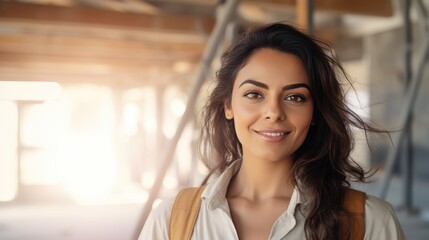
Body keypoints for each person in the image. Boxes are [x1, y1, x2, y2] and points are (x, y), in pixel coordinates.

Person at [139, 23, 404, 240]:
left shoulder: (371, 223)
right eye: (254, 94)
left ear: (315, 113)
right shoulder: (172, 221)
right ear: (228, 106)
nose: (274, 112)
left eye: (295, 97)